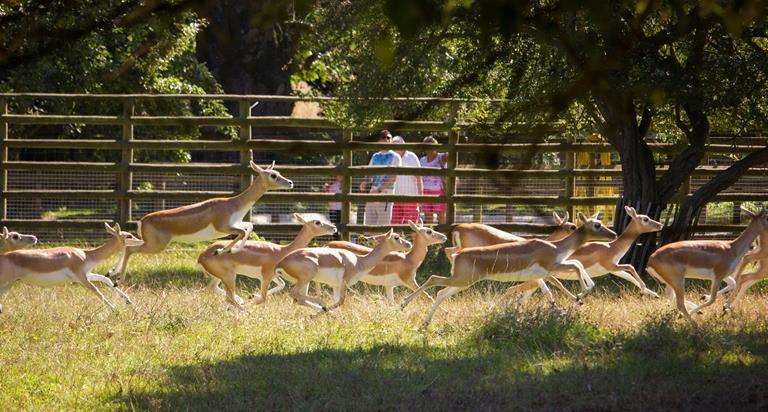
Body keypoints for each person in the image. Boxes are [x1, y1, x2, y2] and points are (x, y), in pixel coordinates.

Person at [361, 130, 402, 225]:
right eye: (384, 137)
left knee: (382, 229)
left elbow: (393, 178)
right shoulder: (375, 156)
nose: (386, 139)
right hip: (372, 194)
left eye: (389, 138)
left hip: (386, 195)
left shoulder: (396, 157)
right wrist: (365, 182)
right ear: (379, 140)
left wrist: (379, 190)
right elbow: (370, 173)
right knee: (368, 227)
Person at [390, 135, 423, 224]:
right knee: (394, 226)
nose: (394, 148)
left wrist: (421, 196)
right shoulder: (392, 157)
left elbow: (419, 177)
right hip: (395, 199)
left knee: (411, 226)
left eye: (397, 145)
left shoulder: (412, 156)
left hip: (410, 199)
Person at [420, 135, 447, 224]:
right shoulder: (422, 160)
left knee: (441, 215)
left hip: (438, 191)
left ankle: (443, 233)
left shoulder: (441, 157)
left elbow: (451, 154)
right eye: (427, 146)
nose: (430, 149)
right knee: (428, 215)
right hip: (426, 191)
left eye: (432, 145)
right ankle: (430, 235)